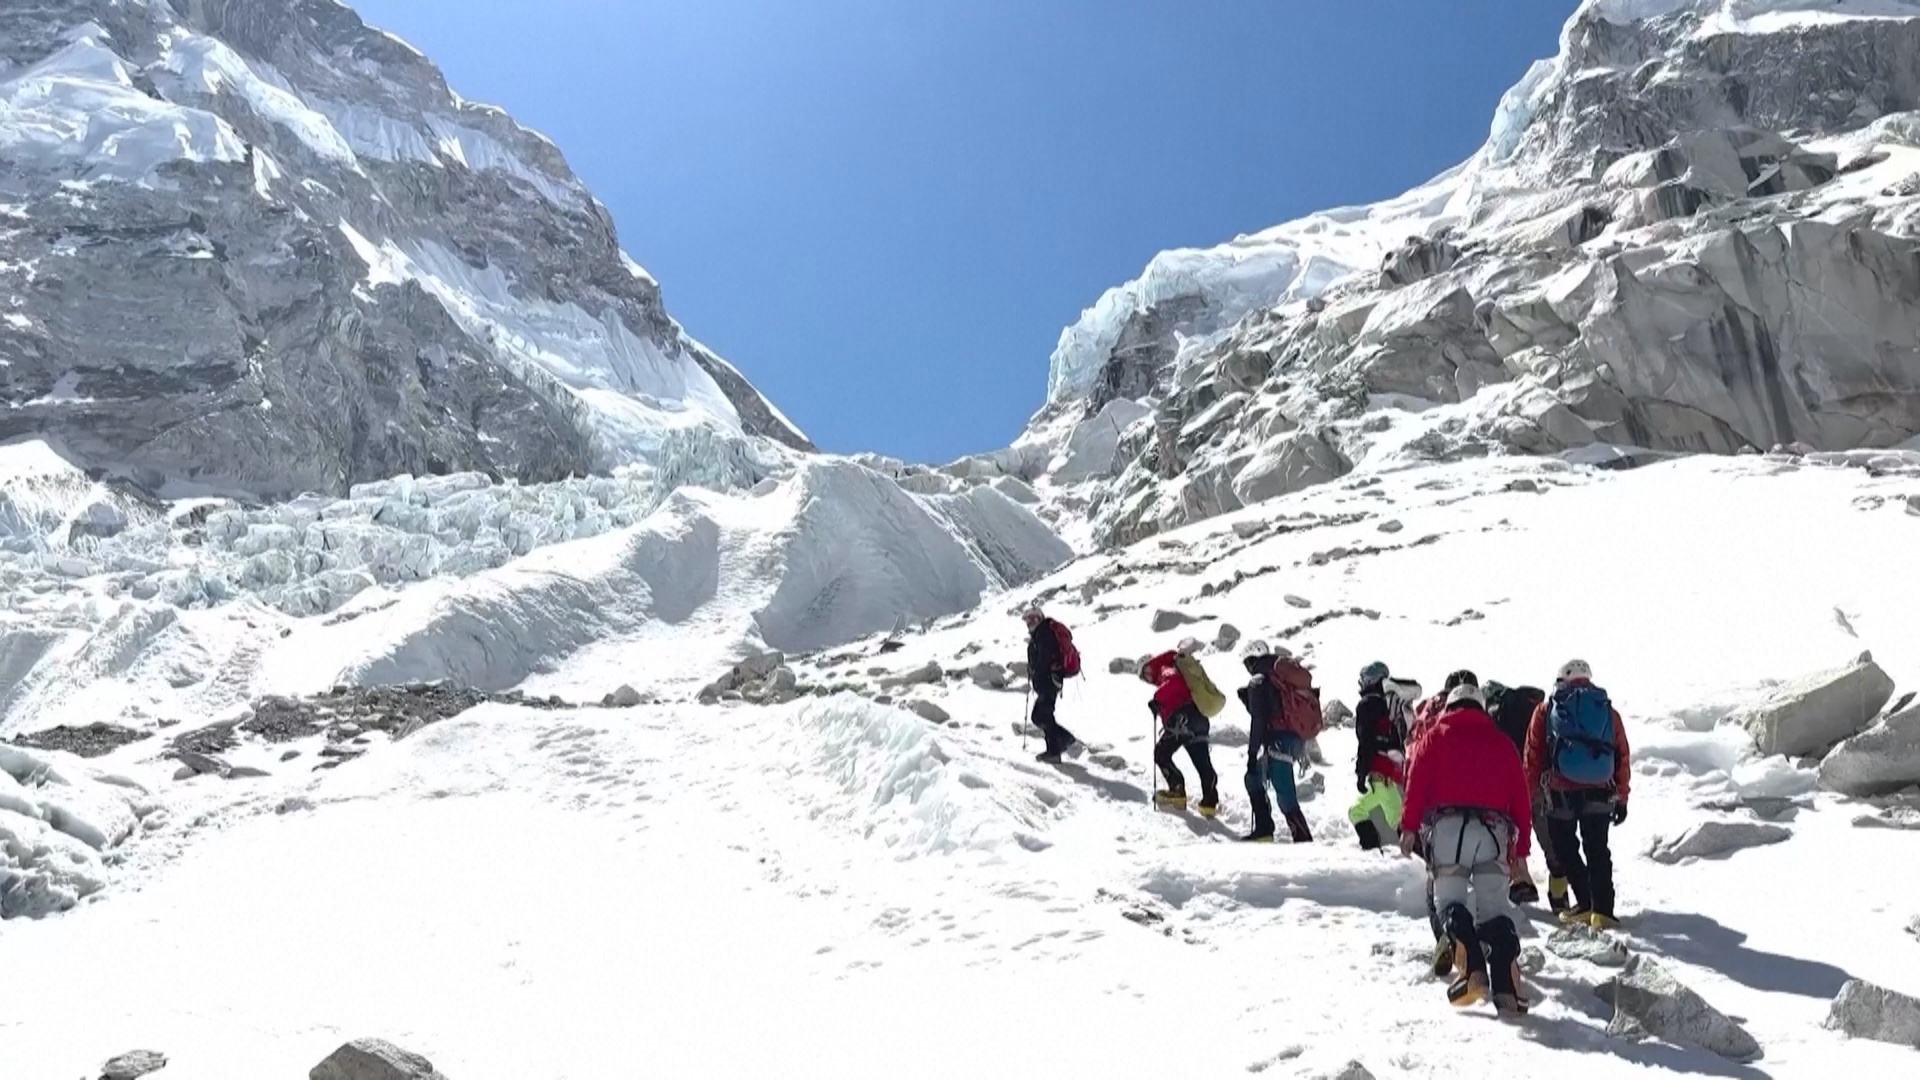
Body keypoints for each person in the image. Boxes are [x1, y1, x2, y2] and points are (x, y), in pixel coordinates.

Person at [1399, 683, 1533, 1017]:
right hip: (1493, 832)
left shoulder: (1435, 735)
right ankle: (1506, 987)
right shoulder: (1502, 743)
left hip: (1449, 830)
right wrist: (1521, 851)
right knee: (1494, 910)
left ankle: (1472, 970)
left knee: (1451, 902)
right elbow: (1521, 799)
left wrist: (1409, 827)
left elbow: (1416, 782)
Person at [1524, 659, 1630, 930]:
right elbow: (1621, 755)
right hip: (1600, 791)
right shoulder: (1606, 709)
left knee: (1565, 848)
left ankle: (1585, 902)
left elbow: (1533, 755)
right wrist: (1622, 796)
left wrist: (1530, 793)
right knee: (1597, 849)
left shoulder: (1547, 709)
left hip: (1560, 792)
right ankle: (1603, 910)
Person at [1406, 668, 1479, 973]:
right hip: (1478, 810)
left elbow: (1413, 760)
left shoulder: (1429, 716)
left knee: (1437, 877)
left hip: (1431, 811)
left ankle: (1444, 937)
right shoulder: (1478, 719)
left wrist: (1409, 819)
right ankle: (1469, 940)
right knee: (1476, 875)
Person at [1484, 680, 1556, 908]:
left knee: (1512, 835)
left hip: (1512, 785)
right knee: (1549, 839)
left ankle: (1519, 880)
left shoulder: (1498, 713)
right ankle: (1559, 895)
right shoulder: (1534, 711)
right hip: (1542, 785)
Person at [1236, 640, 1314, 844]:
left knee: (1282, 790)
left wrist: (1252, 754)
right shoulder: (1278, 676)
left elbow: (1259, 720)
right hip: (1293, 740)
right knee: (1256, 780)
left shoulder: (1258, 681)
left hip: (1278, 742)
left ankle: (1302, 839)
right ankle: (1265, 829)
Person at [1142, 641, 1220, 816]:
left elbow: (1173, 683)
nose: (1147, 678)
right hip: (1199, 719)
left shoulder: (1166, 668)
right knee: (1202, 761)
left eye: (1146, 674)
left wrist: (1157, 699)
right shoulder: (1181, 669)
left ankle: (1177, 790)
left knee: (1161, 753)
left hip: (1183, 719)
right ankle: (1210, 801)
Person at [1349, 661, 1409, 850]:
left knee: (1396, 821)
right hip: (1393, 771)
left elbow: (1365, 741)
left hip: (1378, 773)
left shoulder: (1366, 705)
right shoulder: (1391, 705)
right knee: (1360, 811)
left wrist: (1361, 772)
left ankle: (1375, 854)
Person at [1022, 605, 1082, 764]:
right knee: (1044, 715)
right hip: (1052, 681)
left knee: (1040, 715)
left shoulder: (1044, 634)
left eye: (1033, 619)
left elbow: (1044, 659)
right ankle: (1056, 747)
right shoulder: (1043, 633)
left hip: (1048, 681)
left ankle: (1061, 742)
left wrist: (1037, 675)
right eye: (1028, 620)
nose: (1030, 623)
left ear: (1040, 618)